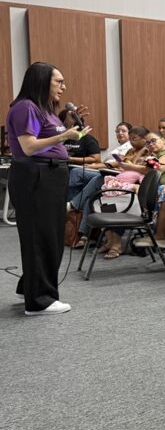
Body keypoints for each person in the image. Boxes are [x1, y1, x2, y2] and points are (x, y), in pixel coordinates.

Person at [6, 62, 91, 315]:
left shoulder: (45, 110)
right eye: (59, 82)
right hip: (36, 175)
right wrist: (65, 137)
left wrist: (69, 131)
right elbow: (30, 146)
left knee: (49, 237)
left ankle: (30, 287)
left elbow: (49, 140)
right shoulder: (25, 107)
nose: (63, 87)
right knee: (39, 236)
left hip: (50, 175)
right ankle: (39, 301)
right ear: (42, 81)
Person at [69, 125, 151, 252]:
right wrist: (97, 166)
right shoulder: (131, 151)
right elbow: (120, 164)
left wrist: (133, 159)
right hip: (117, 180)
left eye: (134, 139)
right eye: (131, 139)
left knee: (95, 181)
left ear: (144, 139)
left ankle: (77, 213)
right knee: (92, 195)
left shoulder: (148, 154)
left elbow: (140, 169)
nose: (131, 142)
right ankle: (89, 236)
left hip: (129, 189)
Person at [127, 132, 165, 249]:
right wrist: (143, 151)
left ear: (163, 140)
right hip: (153, 189)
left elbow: (156, 169)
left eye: (153, 141)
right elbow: (136, 163)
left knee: (130, 188)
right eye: (147, 142)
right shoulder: (154, 155)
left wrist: (129, 166)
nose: (150, 144)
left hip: (161, 190)